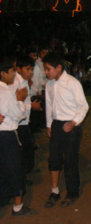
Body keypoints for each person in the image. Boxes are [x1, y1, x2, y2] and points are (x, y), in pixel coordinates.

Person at [44, 53, 89, 208]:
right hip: (57, 125)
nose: (46, 72)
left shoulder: (72, 83)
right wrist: (49, 124)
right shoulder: (49, 84)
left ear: (59, 68)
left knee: (70, 161)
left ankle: (72, 192)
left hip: (72, 125)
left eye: (49, 69)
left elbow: (83, 106)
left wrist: (74, 122)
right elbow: (49, 105)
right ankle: (55, 191)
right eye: (45, 69)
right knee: (54, 159)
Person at [0, 57, 32, 216]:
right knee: (14, 169)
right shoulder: (5, 92)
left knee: (3, 169)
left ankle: (4, 198)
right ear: (3, 73)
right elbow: (18, 115)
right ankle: (18, 206)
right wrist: (19, 100)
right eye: (12, 71)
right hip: (6, 136)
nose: (14, 73)